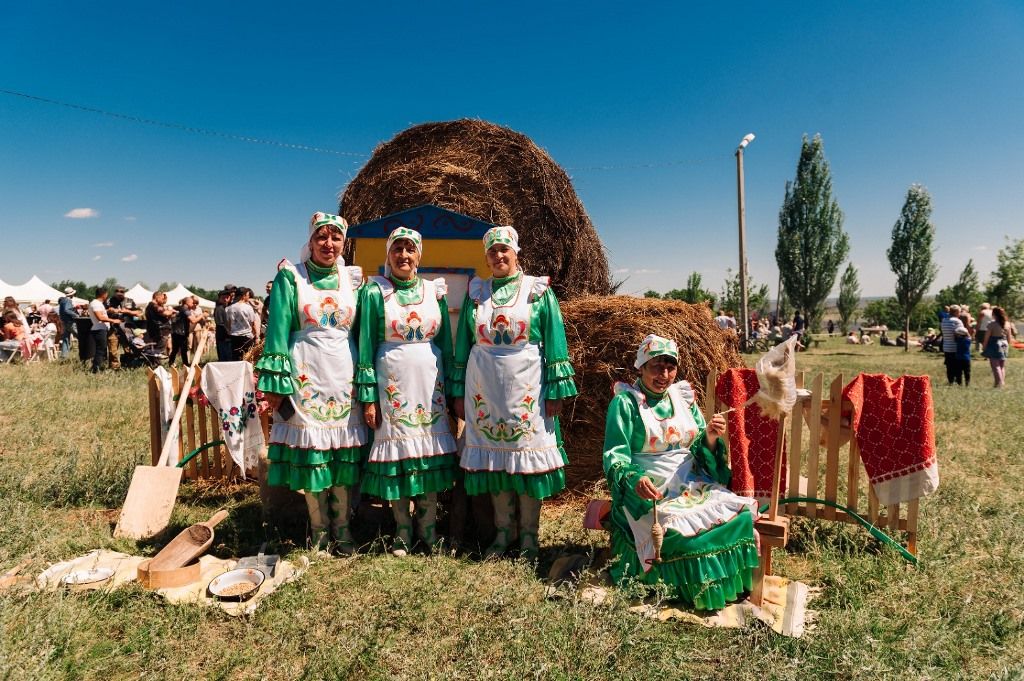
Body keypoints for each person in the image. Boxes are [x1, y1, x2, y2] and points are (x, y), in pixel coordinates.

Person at [603, 334, 759, 609]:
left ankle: (729, 586)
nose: (664, 375)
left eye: (670, 367)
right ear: (641, 366)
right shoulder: (625, 404)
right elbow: (615, 454)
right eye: (656, 367)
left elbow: (698, 445)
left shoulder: (682, 398)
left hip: (690, 481)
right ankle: (692, 591)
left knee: (740, 515)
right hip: (651, 488)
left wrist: (710, 436)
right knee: (679, 534)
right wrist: (635, 479)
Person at [452, 225, 577, 559]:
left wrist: (555, 390)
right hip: (484, 390)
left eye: (504, 250)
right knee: (496, 462)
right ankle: (503, 533)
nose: (498, 256)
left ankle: (529, 538)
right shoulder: (477, 293)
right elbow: (463, 346)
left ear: (516, 252)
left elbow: (555, 341)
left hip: (528, 390)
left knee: (527, 462)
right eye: (492, 252)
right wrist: (458, 392)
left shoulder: (537, 291)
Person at [256, 211, 367, 553]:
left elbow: (363, 333)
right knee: (315, 456)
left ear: (343, 242)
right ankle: (320, 531)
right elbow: (277, 333)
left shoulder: (354, 281)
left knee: (343, 459)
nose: (328, 244)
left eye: (335, 238)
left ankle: (344, 529)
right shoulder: (292, 278)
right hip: (306, 376)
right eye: (322, 237)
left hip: (344, 378)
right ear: (311, 240)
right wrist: (276, 383)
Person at [357, 227, 457, 556]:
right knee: (397, 458)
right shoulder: (375, 292)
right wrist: (369, 397)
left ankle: (427, 530)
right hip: (392, 388)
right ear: (388, 255)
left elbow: (446, 344)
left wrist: (453, 390)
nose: (403, 255)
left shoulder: (434, 293)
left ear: (419, 255)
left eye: (410, 249)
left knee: (427, 461)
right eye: (397, 249)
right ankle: (402, 531)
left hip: (431, 389)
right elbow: (366, 346)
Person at [105, 286, 141, 369]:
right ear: (115, 293)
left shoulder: (129, 301)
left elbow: (139, 312)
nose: (119, 293)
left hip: (126, 329)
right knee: (112, 350)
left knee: (128, 349)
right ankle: (114, 368)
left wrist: (127, 311)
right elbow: (102, 311)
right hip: (113, 328)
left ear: (124, 293)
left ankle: (128, 366)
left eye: (121, 292)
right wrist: (109, 310)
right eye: (117, 292)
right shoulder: (109, 301)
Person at [88, 287, 121, 373]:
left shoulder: (97, 304)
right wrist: (114, 320)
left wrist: (107, 311)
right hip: (99, 329)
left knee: (101, 349)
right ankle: (96, 369)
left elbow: (100, 314)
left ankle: (96, 368)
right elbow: (100, 317)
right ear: (104, 294)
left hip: (100, 329)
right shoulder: (96, 304)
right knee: (101, 350)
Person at [982, 306, 1011, 388]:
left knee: (995, 365)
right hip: (1004, 343)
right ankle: (1001, 382)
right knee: (1001, 364)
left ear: (994, 314)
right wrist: (1007, 345)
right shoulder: (1007, 324)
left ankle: (999, 383)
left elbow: (987, 337)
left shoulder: (991, 324)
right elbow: (1009, 338)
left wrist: (984, 346)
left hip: (995, 343)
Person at [941, 304, 970, 385]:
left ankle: (950, 380)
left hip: (946, 346)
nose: (960, 313)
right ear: (956, 312)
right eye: (959, 312)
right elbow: (962, 332)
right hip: (956, 347)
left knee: (949, 365)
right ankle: (958, 381)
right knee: (957, 366)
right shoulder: (957, 321)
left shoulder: (944, 320)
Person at [226, 288, 259, 360]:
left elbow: (228, 324)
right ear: (243, 296)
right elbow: (253, 323)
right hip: (246, 336)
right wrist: (256, 336)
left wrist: (230, 332)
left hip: (234, 336)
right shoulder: (248, 308)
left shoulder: (230, 308)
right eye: (247, 295)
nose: (248, 297)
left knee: (236, 358)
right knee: (247, 358)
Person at [170, 296, 197, 366]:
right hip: (181, 332)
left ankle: (170, 363)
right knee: (183, 350)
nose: (193, 304)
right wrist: (202, 315)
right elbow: (193, 320)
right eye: (192, 302)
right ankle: (186, 364)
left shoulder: (177, 308)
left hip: (174, 332)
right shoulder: (185, 309)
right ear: (187, 302)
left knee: (175, 349)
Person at [145, 291, 174, 355]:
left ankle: (155, 364)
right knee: (159, 351)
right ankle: (157, 364)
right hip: (160, 331)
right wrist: (171, 311)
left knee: (157, 350)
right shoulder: (153, 305)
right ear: (157, 297)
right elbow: (164, 312)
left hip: (159, 331)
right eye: (162, 298)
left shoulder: (151, 306)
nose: (163, 300)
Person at [213, 289, 234, 361]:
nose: (225, 299)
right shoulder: (219, 309)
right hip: (223, 337)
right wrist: (229, 332)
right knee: (225, 358)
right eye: (223, 297)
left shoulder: (226, 308)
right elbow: (220, 323)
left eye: (227, 297)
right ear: (219, 298)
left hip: (225, 337)